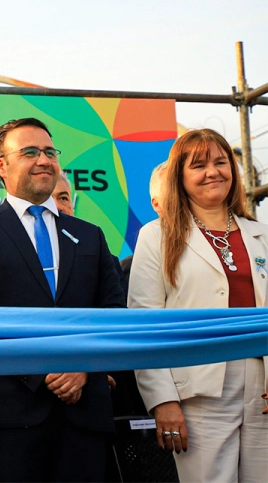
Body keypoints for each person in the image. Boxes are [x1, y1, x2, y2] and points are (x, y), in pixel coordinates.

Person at [0, 117, 126, 482]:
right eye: (30, 152)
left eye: (49, 151)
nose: (44, 159)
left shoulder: (90, 236)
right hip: (7, 414)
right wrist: (41, 372)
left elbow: (113, 315)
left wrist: (83, 368)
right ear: (1, 165)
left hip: (83, 414)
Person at [128, 129, 268, 482]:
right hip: (196, 391)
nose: (213, 172)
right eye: (199, 165)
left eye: (222, 162)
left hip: (262, 387)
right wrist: (163, 401)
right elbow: (145, 324)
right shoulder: (156, 235)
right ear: (180, 175)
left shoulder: (260, 233)